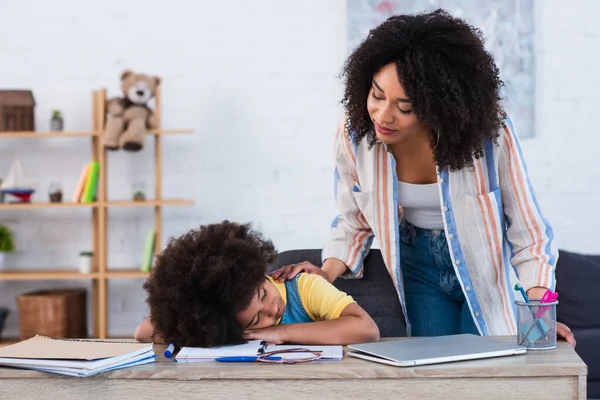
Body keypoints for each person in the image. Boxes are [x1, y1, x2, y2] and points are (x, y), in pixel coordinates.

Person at [270, 9, 576, 347]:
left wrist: (538, 315)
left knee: (486, 374)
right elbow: (354, 219)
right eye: (376, 95)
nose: (383, 116)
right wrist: (324, 273)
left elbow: (530, 235)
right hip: (418, 267)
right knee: (436, 378)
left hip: (484, 270)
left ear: (438, 107)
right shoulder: (355, 136)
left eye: (404, 107)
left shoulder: (490, 135)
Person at [134, 220, 379, 347]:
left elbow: (367, 329)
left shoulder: (305, 287)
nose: (272, 310)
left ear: (259, 271)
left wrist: (279, 332)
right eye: (255, 320)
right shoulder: (223, 323)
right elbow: (143, 332)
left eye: (263, 294)